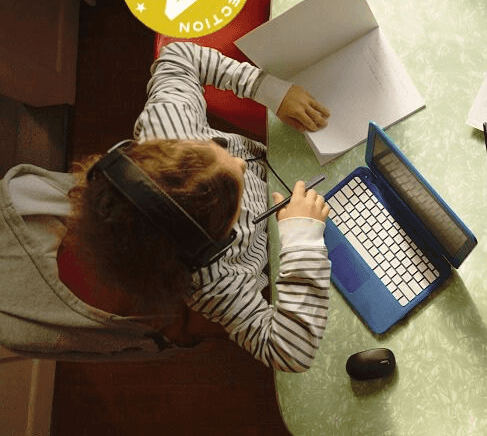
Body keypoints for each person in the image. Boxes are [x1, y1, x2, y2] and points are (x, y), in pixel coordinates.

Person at [0, 41, 333, 372]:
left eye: (217, 149)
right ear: (212, 246)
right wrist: (301, 239)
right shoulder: (211, 281)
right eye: (235, 190)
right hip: (290, 247)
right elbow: (290, 351)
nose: (241, 163)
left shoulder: (168, 129)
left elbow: (178, 55)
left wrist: (271, 90)